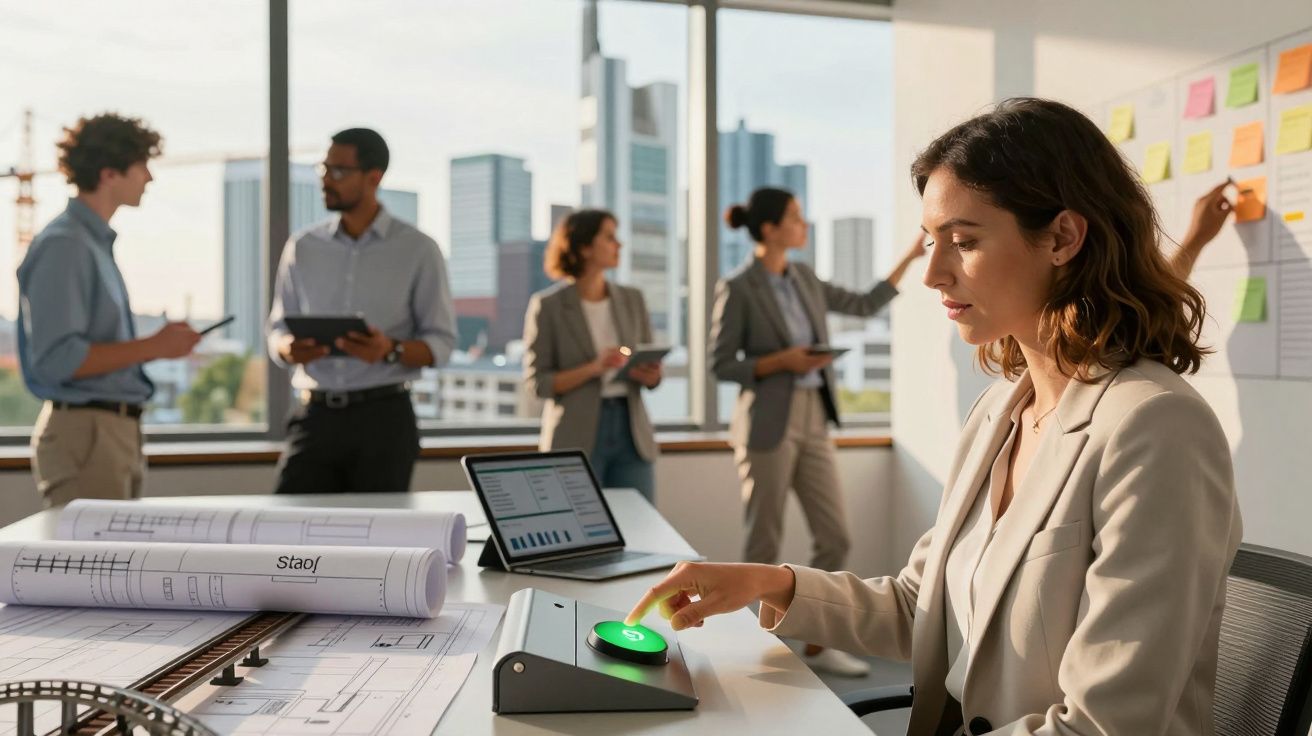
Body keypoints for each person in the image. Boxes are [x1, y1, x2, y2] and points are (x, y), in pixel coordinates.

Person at [629, 98, 1242, 735]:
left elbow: (1102, 726)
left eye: (963, 241)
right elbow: (924, 606)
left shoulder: (1157, 427)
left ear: (1062, 237)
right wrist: (771, 583)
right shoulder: (1000, 414)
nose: (931, 272)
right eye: (929, 241)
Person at [711, 186, 926, 677]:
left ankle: (814, 642)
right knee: (761, 542)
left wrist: (911, 256)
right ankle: (750, 648)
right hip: (766, 419)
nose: (803, 225)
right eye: (795, 217)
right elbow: (721, 364)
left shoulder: (804, 277)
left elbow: (865, 303)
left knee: (835, 536)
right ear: (770, 229)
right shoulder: (740, 286)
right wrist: (779, 362)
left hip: (813, 413)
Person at [18, 113, 201, 507]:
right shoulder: (66, 246)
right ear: (109, 174)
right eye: (141, 166)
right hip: (88, 434)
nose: (149, 178)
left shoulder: (91, 243)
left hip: (109, 432)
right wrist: (155, 346)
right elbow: (57, 359)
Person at [267, 127, 456, 494]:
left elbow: (442, 344)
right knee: (286, 532)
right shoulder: (303, 247)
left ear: (374, 177)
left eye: (338, 171)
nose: (325, 180)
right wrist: (288, 347)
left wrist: (389, 350)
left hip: (383, 420)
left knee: (380, 539)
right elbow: (276, 328)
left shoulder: (419, 250)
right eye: (323, 169)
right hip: (314, 416)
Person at [523, 209, 662, 501]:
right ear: (584, 247)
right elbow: (539, 384)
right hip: (576, 434)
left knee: (642, 530)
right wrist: (593, 368)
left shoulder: (632, 299)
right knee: (581, 535)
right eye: (610, 237)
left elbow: (651, 367)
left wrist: (650, 374)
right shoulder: (548, 306)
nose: (619, 245)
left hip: (631, 430)